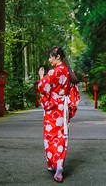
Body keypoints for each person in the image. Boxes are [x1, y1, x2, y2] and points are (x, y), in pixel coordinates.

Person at [38, 47, 80, 183]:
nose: (49, 60)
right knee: (62, 135)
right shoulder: (69, 72)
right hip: (64, 108)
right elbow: (74, 90)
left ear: (57, 57)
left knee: (50, 136)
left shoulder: (52, 72)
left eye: (51, 57)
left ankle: (54, 164)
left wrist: (41, 77)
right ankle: (59, 164)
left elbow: (43, 87)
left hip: (53, 108)